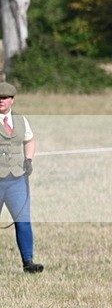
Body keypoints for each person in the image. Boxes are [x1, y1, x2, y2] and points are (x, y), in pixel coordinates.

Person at [0, 82, 42, 273]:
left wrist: (29, 159)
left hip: (17, 178)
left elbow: (29, 140)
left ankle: (28, 261)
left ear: (12, 100)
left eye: (5, 98)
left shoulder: (21, 120)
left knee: (23, 221)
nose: (2, 101)